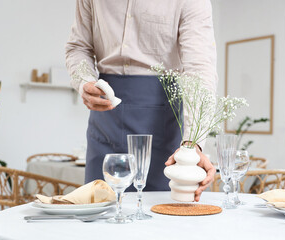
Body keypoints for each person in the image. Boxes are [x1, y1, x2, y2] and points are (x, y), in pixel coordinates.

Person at [65, 0, 217, 202]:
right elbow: (78, 46)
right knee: (98, 217)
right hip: (105, 118)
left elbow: (200, 68)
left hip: (163, 125)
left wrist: (193, 144)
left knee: (161, 218)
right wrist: (84, 81)